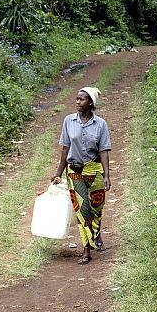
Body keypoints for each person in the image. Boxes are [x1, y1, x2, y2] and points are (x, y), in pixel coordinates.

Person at [52, 87, 111, 265]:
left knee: (96, 207)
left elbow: (104, 151)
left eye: (82, 99)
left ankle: (97, 234)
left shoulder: (100, 124)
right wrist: (58, 173)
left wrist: (107, 175)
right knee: (82, 211)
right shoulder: (68, 121)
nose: (77, 102)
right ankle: (86, 249)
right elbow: (65, 148)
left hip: (94, 170)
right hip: (75, 172)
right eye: (77, 99)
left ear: (91, 103)